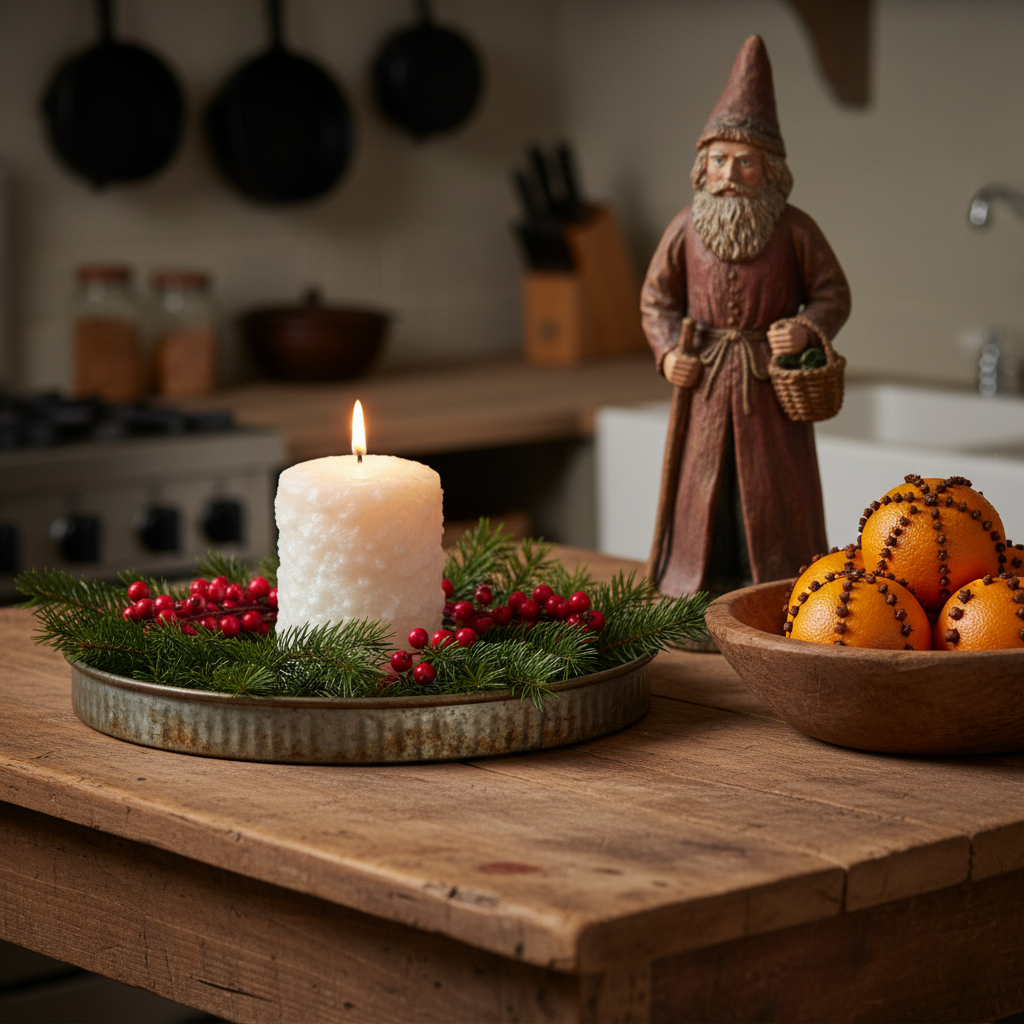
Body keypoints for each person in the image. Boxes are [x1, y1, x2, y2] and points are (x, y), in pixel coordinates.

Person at [642, 34, 851, 598]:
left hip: (770, 389)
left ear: (770, 171)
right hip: (706, 383)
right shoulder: (685, 229)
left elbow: (833, 294)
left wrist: (805, 329)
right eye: (719, 161)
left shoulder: (795, 230)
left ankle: (780, 591)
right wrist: (668, 356)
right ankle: (694, 588)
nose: (730, 172)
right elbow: (656, 300)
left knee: (772, 490)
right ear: (703, 169)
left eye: (745, 162)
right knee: (702, 488)